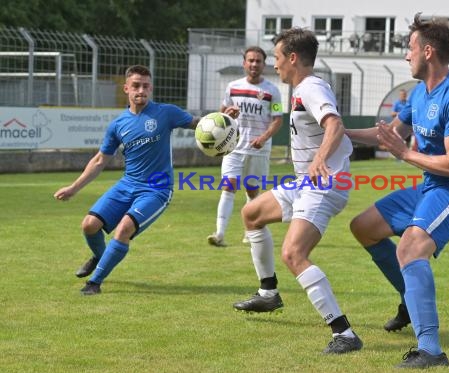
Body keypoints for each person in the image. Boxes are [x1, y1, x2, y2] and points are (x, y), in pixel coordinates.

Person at [346, 13, 449, 368]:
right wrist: (337, 131)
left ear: (427, 52)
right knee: (363, 227)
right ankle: (411, 300)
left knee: (410, 247)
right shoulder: (419, 95)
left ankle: (431, 351)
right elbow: (389, 134)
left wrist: (406, 153)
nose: (405, 55)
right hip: (430, 185)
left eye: (409, 48)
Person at [232, 27, 362, 354]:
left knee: (293, 254)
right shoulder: (301, 89)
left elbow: (334, 124)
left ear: (292, 58)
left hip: (324, 184)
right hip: (307, 182)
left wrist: (319, 160)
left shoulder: (311, 88)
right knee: (252, 213)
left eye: (276, 58)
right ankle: (268, 294)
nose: (273, 65)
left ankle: (344, 333)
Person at [54, 64, 238, 295]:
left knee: (124, 229)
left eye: (146, 86)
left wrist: (222, 119)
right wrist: (73, 188)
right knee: (89, 225)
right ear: (126, 89)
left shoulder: (165, 113)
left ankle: (94, 283)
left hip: (157, 189)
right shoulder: (118, 125)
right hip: (127, 184)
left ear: (151, 88)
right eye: (136, 86)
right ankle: (102, 257)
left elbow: (199, 124)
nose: (141, 90)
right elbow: (100, 160)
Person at [207, 46, 283, 247]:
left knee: (252, 191)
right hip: (234, 147)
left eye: (258, 61)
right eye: (251, 60)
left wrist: (264, 137)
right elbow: (220, 115)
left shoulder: (272, 91)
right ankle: (219, 234)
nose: (254, 64)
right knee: (228, 187)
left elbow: (278, 119)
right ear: (244, 63)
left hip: (259, 150)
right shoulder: (232, 87)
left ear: (264, 65)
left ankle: (249, 233)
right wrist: (227, 116)